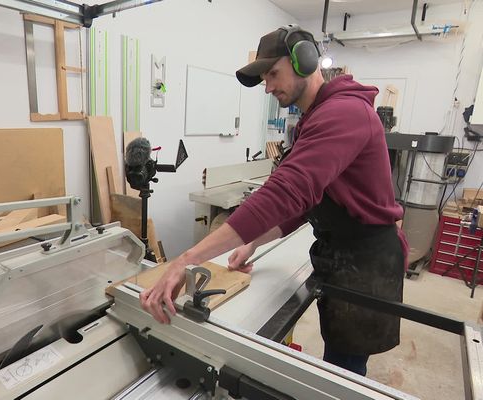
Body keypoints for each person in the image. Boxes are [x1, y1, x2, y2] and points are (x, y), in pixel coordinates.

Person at [140, 25, 407, 377]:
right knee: (337, 355)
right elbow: (308, 201)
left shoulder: (344, 114)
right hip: (343, 253)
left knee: (345, 369)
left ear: (305, 61)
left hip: (367, 262)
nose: (267, 86)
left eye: (273, 74)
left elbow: (288, 191)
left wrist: (186, 260)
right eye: (264, 77)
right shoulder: (313, 120)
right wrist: (252, 241)